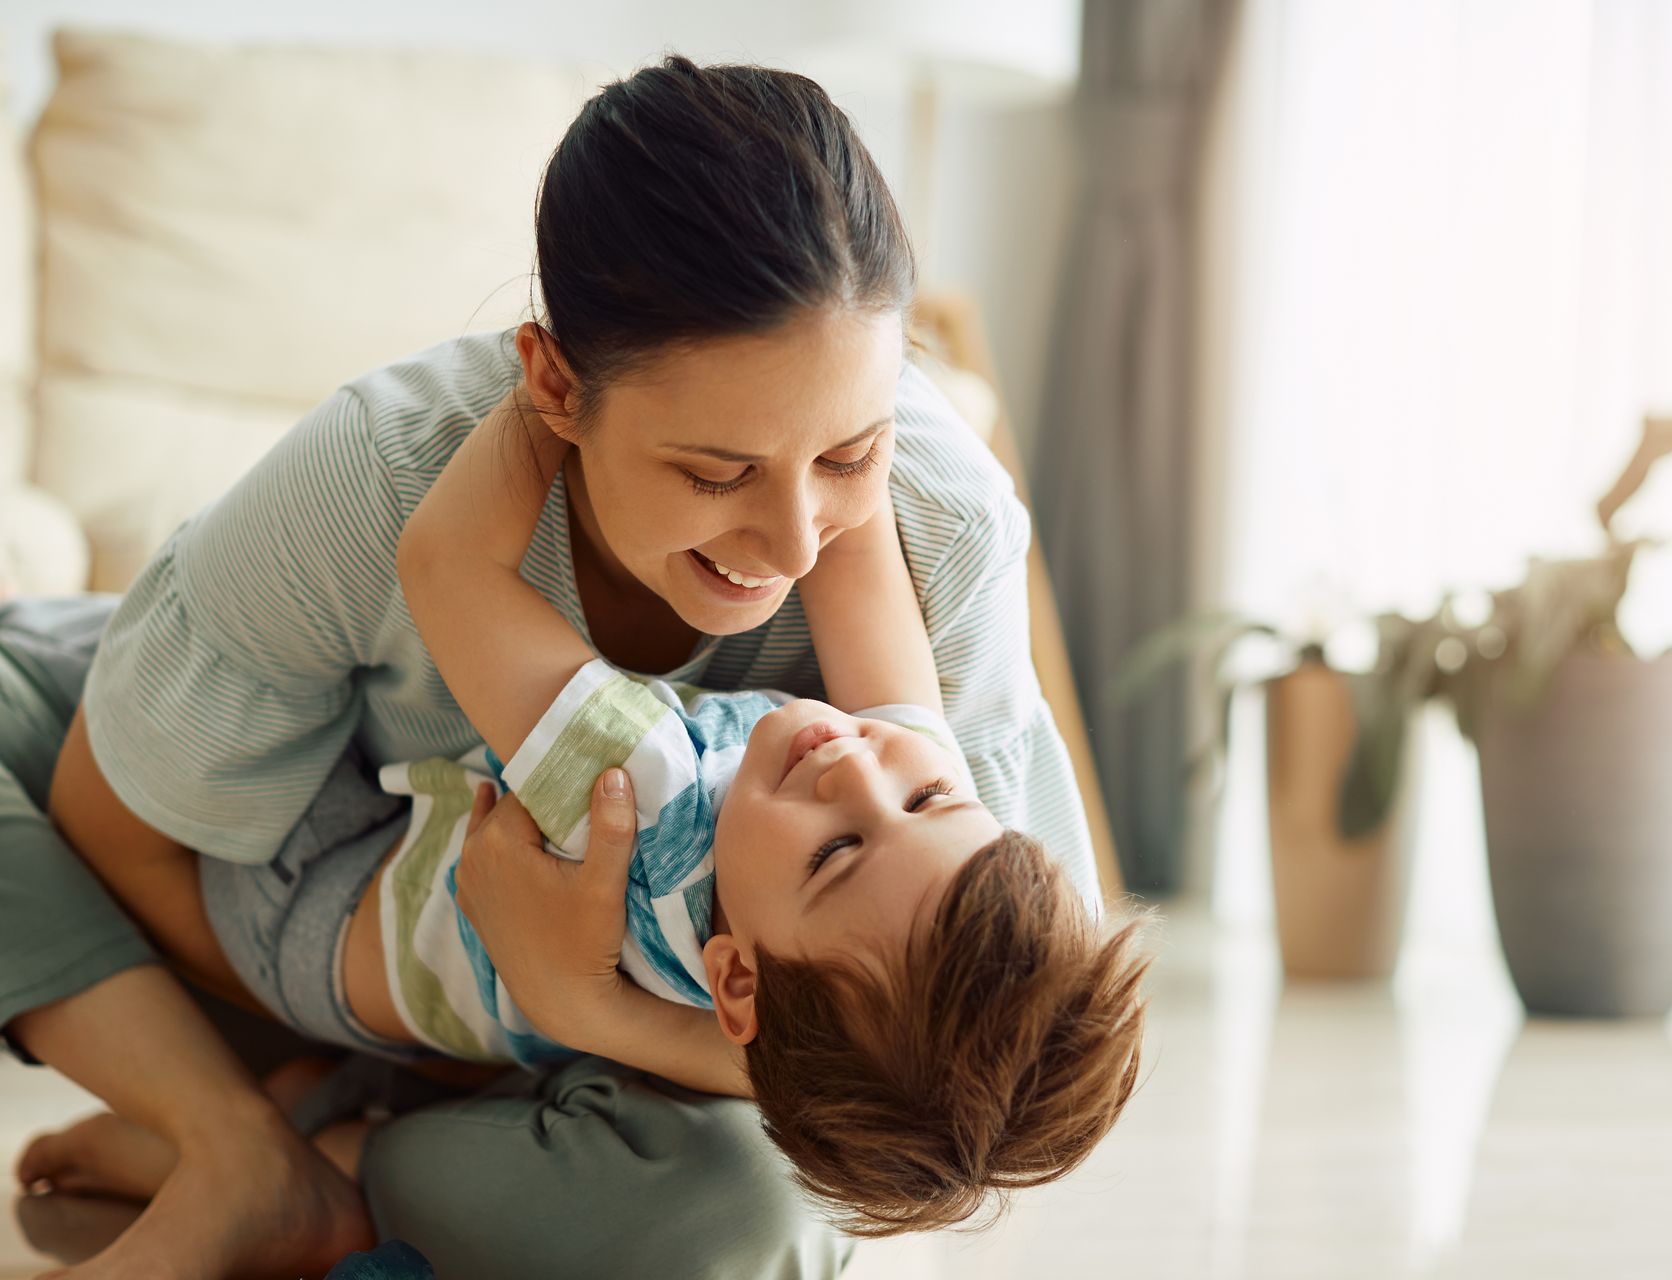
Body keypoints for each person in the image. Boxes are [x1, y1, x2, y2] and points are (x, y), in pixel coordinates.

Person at [1, 53, 1099, 1280]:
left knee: (746, 1212)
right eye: (716, 471)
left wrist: (586, 1006)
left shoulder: (910, 576)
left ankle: (334, 1155)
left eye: (854, 451)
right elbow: (126, 822)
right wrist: (440, 1024)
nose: (797, 543)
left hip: (528, 1025)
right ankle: (243, 1141)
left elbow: (960, 1081)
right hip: (244, 921)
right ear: (555, 383)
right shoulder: (383, 467)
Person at [68, 373, 1149, 1236]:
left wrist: (569, 391)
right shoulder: (877, 864)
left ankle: (293, 1131)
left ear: (732, 979)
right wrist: (833, 375)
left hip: (306, 919)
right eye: (928, 792)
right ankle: (318, 1109)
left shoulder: (645, 797)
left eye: (835, 852)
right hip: (464, 983)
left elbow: (448, 565)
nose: (856, 764)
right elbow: (850, 536)